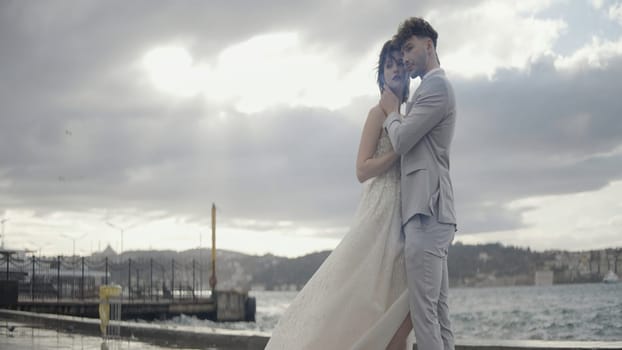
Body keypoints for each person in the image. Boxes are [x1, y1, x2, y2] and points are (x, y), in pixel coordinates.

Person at [265, 40, 413, 350]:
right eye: (389, 64)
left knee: (396, 298)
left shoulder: (408, 114)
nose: (396, 68)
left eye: (400, 62)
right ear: (382, 76)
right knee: (364, 292)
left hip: (403, 213)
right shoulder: (377, 114)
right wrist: (396, 155)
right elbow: (361, 169)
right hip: (380, 210)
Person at [380, 17, 457, 350]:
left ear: (430, 45)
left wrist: (391, 113)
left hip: (426, 212)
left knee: (424, 315)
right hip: (432, 212)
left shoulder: (436, 87)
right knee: (438, 314)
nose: (406, 57)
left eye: (409, 48)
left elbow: (403, 140)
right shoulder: (431, 88)